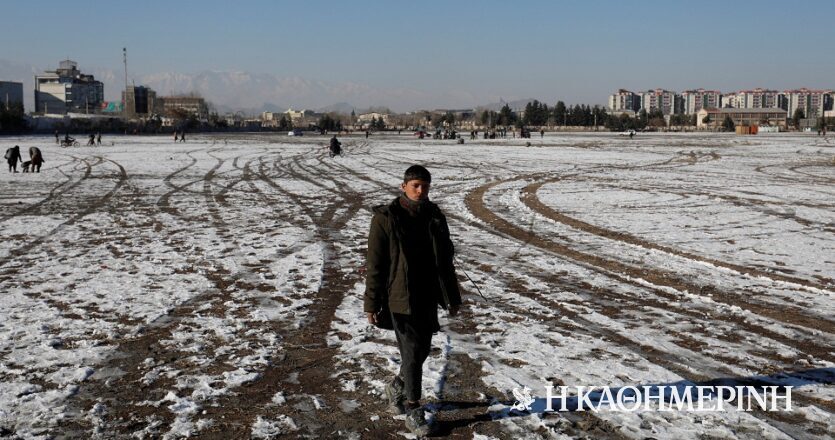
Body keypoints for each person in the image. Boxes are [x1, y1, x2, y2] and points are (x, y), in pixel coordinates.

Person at [364, 165, 462, 437]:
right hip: (398, 297)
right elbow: (375, 265)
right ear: (403, 186)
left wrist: (452, 298)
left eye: (425, 186)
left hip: (427, 295)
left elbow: (445, 262)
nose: (421, 191)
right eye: (416, 185)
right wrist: (371, 303)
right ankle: (414, 409)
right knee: (411, 350)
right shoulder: (385, 218)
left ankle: (397, 386)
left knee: (419, 353)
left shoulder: (434, 216)